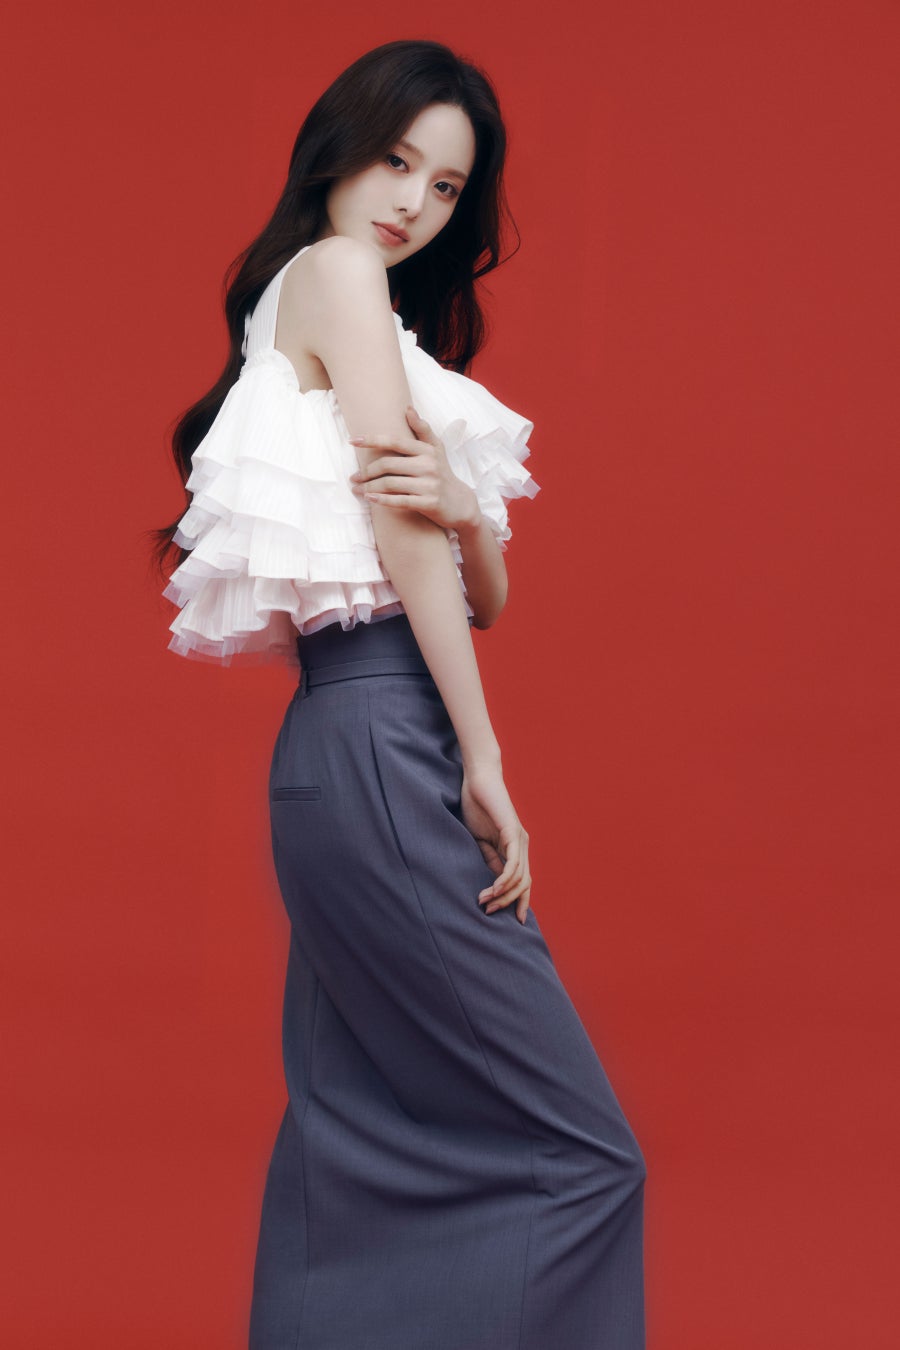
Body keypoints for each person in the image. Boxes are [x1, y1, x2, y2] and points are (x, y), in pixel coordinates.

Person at [154, 39, 647, 1350]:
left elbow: (478, 581)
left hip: (341, 742)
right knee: (584, 1155)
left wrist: (462, 507)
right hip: (382, 733)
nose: (413, 203)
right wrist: (484, 759)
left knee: (354, 1127)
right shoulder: (339, 273)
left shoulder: (329, 302)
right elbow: (404, 537)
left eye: (444, 186)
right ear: (339, 146)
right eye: (395, 160)